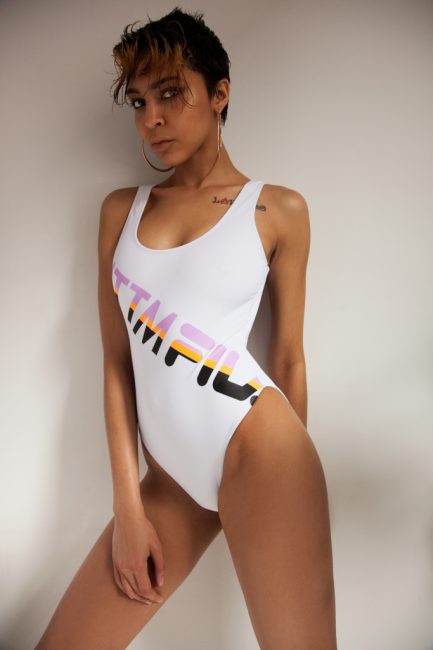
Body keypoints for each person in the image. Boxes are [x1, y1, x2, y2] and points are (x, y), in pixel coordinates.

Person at [35, 7, 337, 649]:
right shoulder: (122, 210)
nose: (152, 118)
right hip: (168, 481)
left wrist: (281, 502)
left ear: (219, 93)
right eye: (139, 101)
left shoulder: (277, 209)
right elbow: (115, 361)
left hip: (263, 452)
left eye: (171, 94)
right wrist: (127, 507)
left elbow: (288, 359)